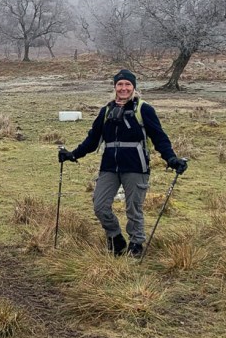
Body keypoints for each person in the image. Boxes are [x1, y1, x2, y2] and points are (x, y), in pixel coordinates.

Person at [58, 69, 187, 258]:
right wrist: (72, 154)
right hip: (109, 167)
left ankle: (136, 243)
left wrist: (171, 159)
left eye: (127, 84)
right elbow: (92, 140)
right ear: (115, 87)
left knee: (133, 208)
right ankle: (115, 237)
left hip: (136, 166)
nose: (123, 88)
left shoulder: (144, 109)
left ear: (133, 87)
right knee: (100, 206)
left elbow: (159, 137)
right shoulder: (106, 111)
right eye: (120, 84)